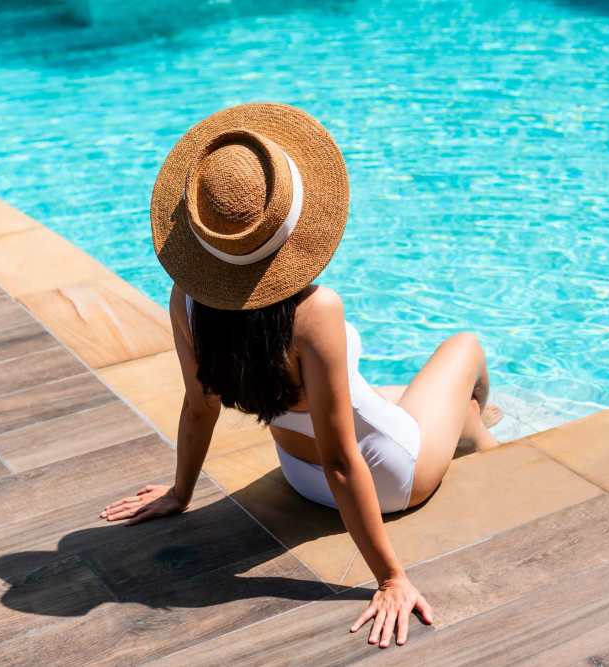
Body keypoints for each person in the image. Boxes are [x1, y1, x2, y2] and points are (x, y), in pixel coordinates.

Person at [100, 103, 500, 648]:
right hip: (387, 478)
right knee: (464, 347)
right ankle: (477, 436)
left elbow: (200, 406)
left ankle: (472, 431)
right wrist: (390, 578)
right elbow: (342, 460)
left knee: (428, 404)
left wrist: (181, 491)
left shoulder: (187, 300)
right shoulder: (315, 312)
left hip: (296, 474)